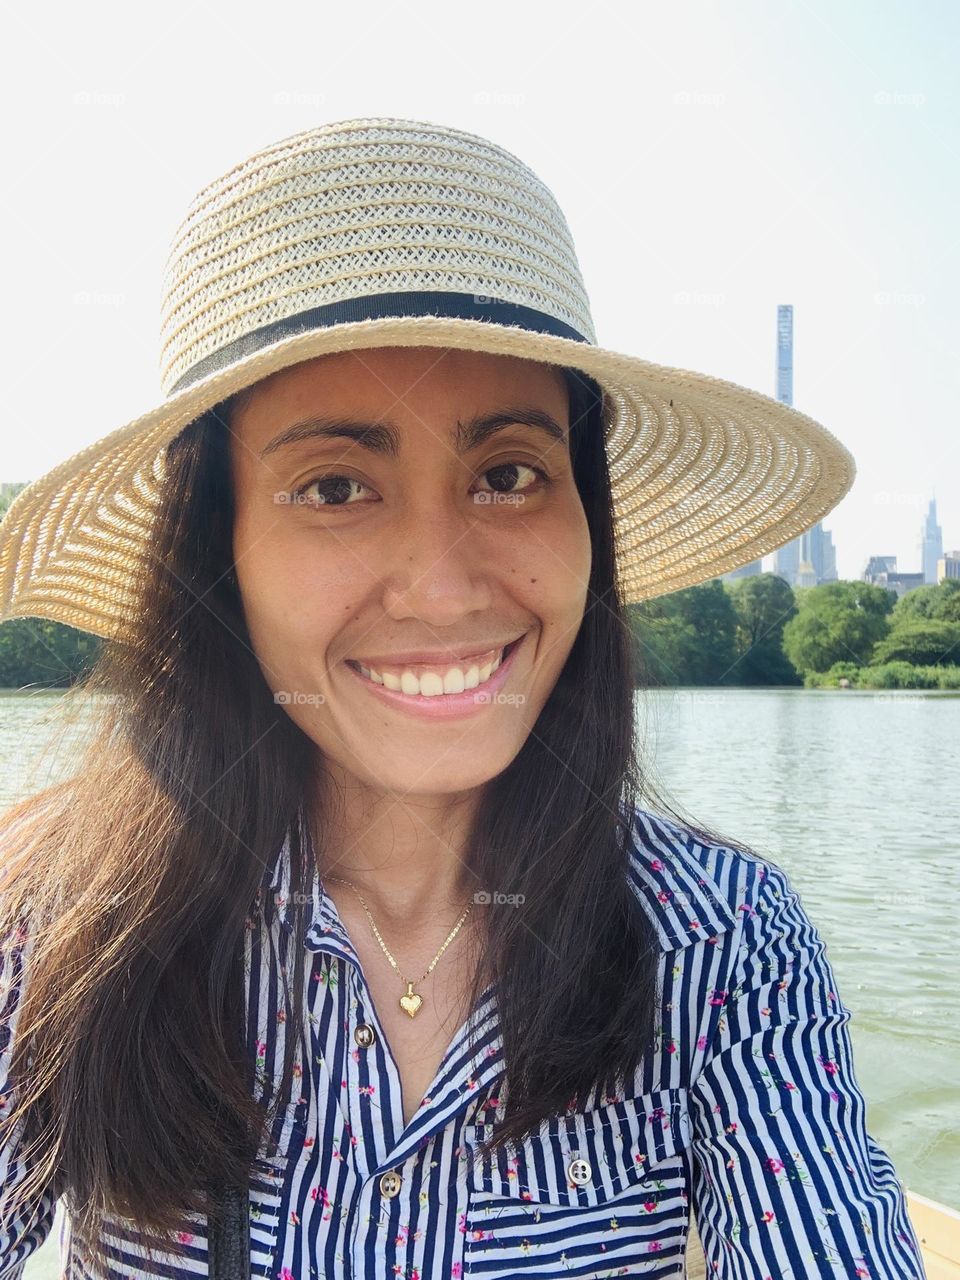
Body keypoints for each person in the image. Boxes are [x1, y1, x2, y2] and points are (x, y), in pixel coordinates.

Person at [0, 117, 925, 1278]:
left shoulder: (724, 944)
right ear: (214, 554)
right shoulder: (63, 919)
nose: (441, 591)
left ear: (586, 521)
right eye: (334, 485)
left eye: (509, 475)